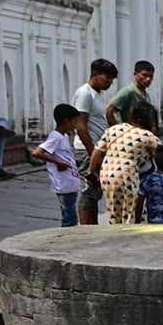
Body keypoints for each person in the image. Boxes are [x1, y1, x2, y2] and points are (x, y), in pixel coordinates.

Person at [85, 102, 160, 225]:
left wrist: (91, 172)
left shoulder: (113, 129)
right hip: (126, 175)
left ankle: (115, 233)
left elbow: (97, 153)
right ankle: (131, 237)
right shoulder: (147, 136)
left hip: (106, 174)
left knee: (114, 210)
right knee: (131, 212)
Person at [71, 60, 115, 222]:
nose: (110, 82)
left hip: (97, 149)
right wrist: (93, 152)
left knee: (95, 190)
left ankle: (92, 226)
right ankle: (85, 229)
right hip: (86, 149)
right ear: (95, 75)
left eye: (112, 79)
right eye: (107, 78)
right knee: (87, 189)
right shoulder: (85, 93)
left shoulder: (97, 95)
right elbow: (80, 125)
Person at [28, 103, 85, 226]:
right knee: (69, 217)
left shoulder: (63, 137)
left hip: (70, 183)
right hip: (64, 185)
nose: (76, 125)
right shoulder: (56, 137)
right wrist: (57, 162)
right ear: (66, 121)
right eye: (74, 122)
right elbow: (37, 153)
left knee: (71, 215)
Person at [107, 60, 154, 131]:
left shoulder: (145, 94)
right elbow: (109, 111)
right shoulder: (128, 91)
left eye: (151, 76)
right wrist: (120, 131)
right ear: (135, 74)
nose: (148, 79)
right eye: (144, 75)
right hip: (131, 136)